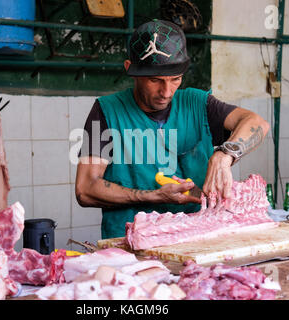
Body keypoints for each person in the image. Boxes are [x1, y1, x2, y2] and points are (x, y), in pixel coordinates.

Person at [75, 20, 270, 239]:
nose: (167, 91)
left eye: (175, 79)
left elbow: (257, 123)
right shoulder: (106, 111)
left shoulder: (199, 104)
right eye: (155, 80)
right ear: (130, 69)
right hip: (130, 246)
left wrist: (225, 154)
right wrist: (151, 196)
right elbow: (85, 189)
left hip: (198, 239)